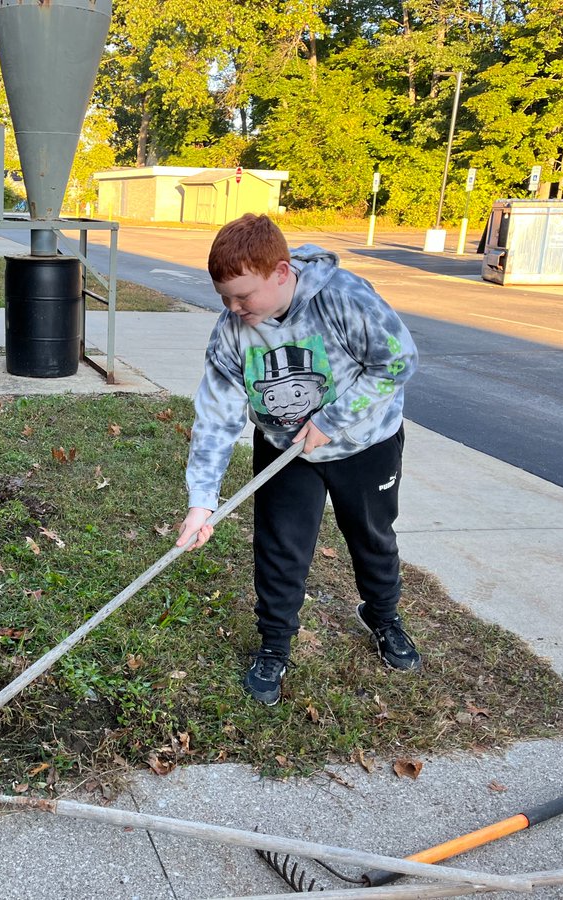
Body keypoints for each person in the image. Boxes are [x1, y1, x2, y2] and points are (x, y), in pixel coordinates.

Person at [175, 213, 421, 707]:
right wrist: (202, 502)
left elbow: (398, 361)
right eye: (224, 296)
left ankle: (383, 616)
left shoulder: (343, 298)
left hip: (365, 444)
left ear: (282, 273)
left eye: (244, 295)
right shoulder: (231, 332)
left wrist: (333, 420)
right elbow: (217, 418)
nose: (233, 307)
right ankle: (274, 645)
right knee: (280, 547)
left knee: (371, 537)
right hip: (285, 451)